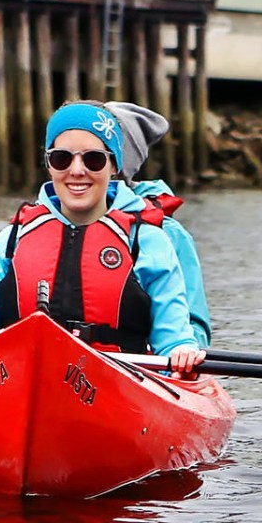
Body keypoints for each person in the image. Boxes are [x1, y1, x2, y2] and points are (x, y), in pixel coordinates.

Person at [0, 100, 206, 374]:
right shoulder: (11, 239)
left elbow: (174, 339)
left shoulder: (149, 241)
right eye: (61, 158)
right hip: (16, 373)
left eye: (94, 159)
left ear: (114, 167)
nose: (76, 171)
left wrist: (181, 353)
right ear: (49, 165)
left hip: (117, 380)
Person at [106, 100, 212, 350]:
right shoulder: (50, 223)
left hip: (142, 363)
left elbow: (194, 323)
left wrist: (181, 353)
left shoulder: (167, 234)